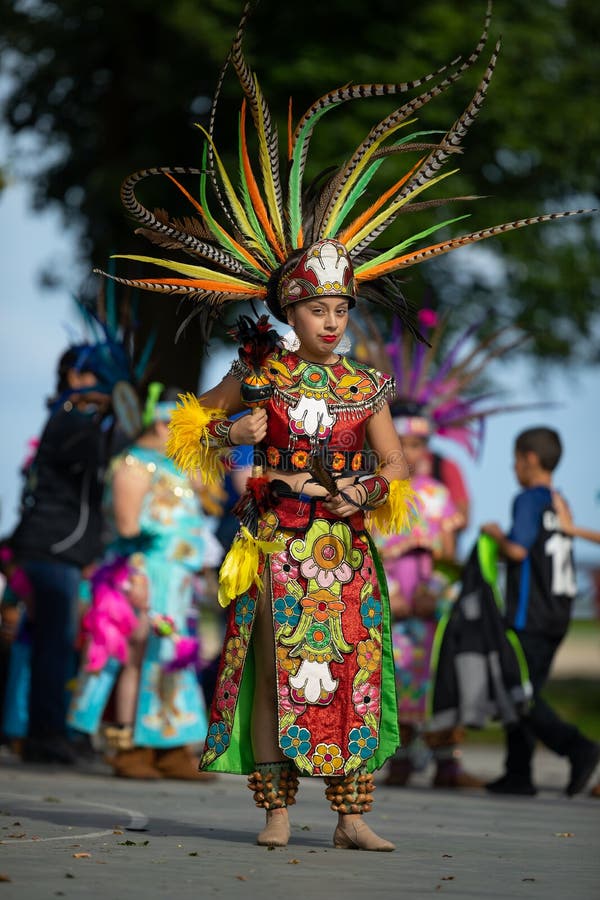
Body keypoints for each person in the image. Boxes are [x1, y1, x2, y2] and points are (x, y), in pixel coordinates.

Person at [96, 2, 592, 847]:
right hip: (278, 547)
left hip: (347, 550)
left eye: (339, 305)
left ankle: (352, 816)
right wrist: (229, 436)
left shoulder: (369, 381)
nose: (331, 318)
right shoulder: (257, 369)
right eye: (317, 305)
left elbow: (398, 463)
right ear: (291, 307)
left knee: (356, 677)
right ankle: (278, 811)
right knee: (277, 674)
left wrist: (377, 486)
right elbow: (188, 429)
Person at [68, 386, 213, 780]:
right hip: (144, 576)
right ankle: (129, 744)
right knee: (137, 656)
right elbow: (129, 528)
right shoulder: (132, 465)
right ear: (164, 422)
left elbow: (209, 497)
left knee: (171, 656)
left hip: (178, 581)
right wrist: (137, 579)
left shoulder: (177, 466)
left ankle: (170, 746)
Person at [8, 343, 118, 764]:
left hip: (62, 549)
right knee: (52, 644)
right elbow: (94, 454)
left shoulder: (75, 419)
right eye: (97, 378)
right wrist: (112, 414)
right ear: (74, 377)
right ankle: (44, 736)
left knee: (56, 643)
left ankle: (47, 730)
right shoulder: (71, 418)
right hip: (52, 548)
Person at [482, 427, 600, 796]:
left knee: (517, 691)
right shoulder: (557, 500)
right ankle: (518, 773)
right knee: (525, 688)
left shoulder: (530, 499)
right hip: (558, 614)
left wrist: (495, 535)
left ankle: (577, 747)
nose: (513, 467)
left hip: (528, 615)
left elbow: (517, 550)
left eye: (515, 459)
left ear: (529, 459)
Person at [377, 405, 484, 789]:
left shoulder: (438, 496)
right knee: (394, 677)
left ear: (428, 448)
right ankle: (400, 760)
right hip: (393, 604)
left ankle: (446, 764)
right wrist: (391, 596)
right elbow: (368, 554)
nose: (409, 451)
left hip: (428, 608)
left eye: (418, 444)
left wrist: (432, 593)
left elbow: (449, 558)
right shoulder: (377, 493)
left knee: (437, 679)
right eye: (401, 443)